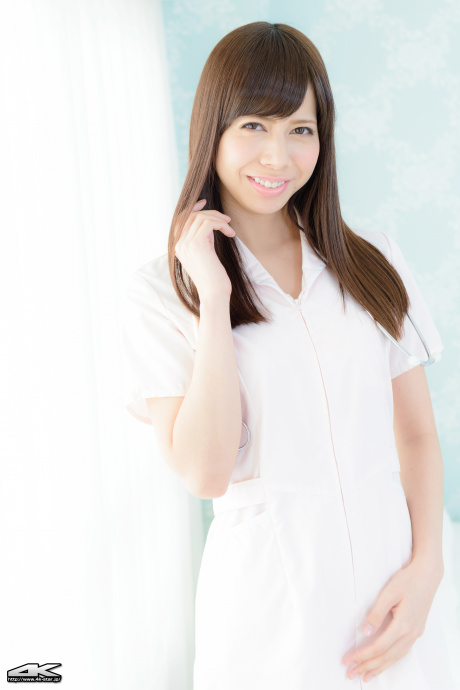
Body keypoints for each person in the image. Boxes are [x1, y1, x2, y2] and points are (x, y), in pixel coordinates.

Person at [122, 21, 457, 689]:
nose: (277, 156)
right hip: (270, 612)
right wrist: (214, 299)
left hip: (398, 593)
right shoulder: (162, 290)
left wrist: (428, 568)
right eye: (254, 125)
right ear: (212, 129)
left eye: (300, 129)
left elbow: (417, 435)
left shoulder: (374, 261)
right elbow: (205, 472)